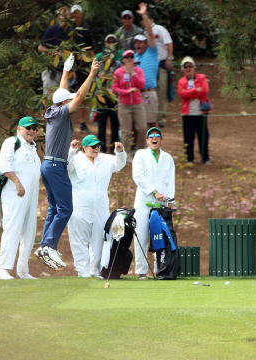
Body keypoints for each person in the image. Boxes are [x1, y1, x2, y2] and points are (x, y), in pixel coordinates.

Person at [34, 54, 100, 271]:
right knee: (65, 208)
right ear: (64, 103)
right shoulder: (62, 113)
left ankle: (45, 245)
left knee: (54, 208)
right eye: (67, 100)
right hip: (56, 167)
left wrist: (65, 72)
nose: (70, 101)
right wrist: (91, 73)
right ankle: (50, 245)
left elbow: (62, 94)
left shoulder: (53, 110)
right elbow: (79, 96)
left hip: (48, 165)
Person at [67, 135, 127, 278]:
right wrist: (71, 151)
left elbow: (119, 164)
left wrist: (120, 152)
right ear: (85, 148)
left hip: (100, 203)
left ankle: (95, 270)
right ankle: (82, 271)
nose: (97, 149)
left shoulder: (105, 159)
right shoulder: (76, 159)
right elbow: (67, 167)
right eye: (93, 146)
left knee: (100, 237)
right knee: (79, 238)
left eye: (98, 146)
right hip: (80, 203)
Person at [0, 117, 42, 280]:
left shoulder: (33, 148)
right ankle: (2, 269)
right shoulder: (12, 142)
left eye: (34, 128)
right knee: (12, 229)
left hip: (31, 195)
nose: (32, 131)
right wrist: (18, 184)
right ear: (19, 129)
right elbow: (4, 164)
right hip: (15, 193)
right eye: (28, 127)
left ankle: (22, 270)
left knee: (29, 232)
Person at [132, 127, 176, 280]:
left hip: (162, 203)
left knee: (161, 236)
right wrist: (154, 191)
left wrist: (171, 200)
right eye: (151, 136)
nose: (154, 138)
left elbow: (170, 181)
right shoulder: (140, 154)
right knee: (142, 234)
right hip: (144, 201)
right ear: (147, 140)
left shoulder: (168, 158)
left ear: (161, 139)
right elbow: (138, 176)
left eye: (157, 136)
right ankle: (142, 271)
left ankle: (161, 270)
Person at [112, 49, 146, 156]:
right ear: (123, 60)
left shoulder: (139, 71)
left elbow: (142, 85)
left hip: (137, 103)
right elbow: (114, 88)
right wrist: (126, 91)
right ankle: (125, 155)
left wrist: (133, 74)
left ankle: (140, 152)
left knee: (142, 128)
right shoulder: (118, 72)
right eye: (127, 57)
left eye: (132, 57)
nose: (130, 59)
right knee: (126, 131)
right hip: (124, 105)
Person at [178, 56, 211, 165]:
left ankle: (205, 158)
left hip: (200, 112)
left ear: (194, 67)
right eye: (185, 66)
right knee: (188, 136)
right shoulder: (181, 81)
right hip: (187, 113)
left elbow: (205, 91)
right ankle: (189, 159)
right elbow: (182, 94)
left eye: (190, 66)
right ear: (183, 69)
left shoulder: (201, 77)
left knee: (203, 136)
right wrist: (196, 90)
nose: (188, 68)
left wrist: (189, 93)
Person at [70, 5, 96, 134]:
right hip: (68, 67)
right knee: (66, 95)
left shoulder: (86, 29)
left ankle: (82, 122)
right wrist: (71, 68)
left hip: (84, 67)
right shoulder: (68, 29)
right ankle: (65, 120)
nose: (77, 15)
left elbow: (91, 49)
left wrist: (94, 64)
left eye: (79, 12)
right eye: (74, 12)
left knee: (84, 95)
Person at [37, 6, 72, 103]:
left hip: (65, 69)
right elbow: (40, 47)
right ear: (58, 16)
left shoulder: (72, 32)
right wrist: (55, 53)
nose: (64, 17)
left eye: (67, 15)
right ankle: (46, 116)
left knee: (65, 97)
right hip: (51, 68)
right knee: (49, 96)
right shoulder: (52, 30)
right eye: (62, 15)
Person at [135, 3, 160, 129]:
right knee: (137, 124)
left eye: (141, 42)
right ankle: (136, 148)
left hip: (149, 93)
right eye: (136, 42)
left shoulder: (152, 51)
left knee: (152, 123)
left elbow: (150, 34)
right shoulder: (133, 57)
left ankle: (157, 148)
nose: (138, 45)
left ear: (145, 44)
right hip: (135, 94)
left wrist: (144, 15)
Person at [96, 36, 122, 153]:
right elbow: (92, 81)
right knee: (101, 124)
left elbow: (120, 79)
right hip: (101, 97)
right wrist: (98, 78)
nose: (107, 58)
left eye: (110, 55)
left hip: (114, 97)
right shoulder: (98, 65)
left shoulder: (118, 65)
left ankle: (114, 149)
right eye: (105, 55)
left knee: (115, 124)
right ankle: (101, 148)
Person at [147, 18, 174, 127]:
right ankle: (151, 118)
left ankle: (161, 119)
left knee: (162, 91)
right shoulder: (144, 33)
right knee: (150, 92)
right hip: (150, 65)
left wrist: (169, 58)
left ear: (152, 19)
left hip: (162, 64)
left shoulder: (159, 29)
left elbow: (169, 43)